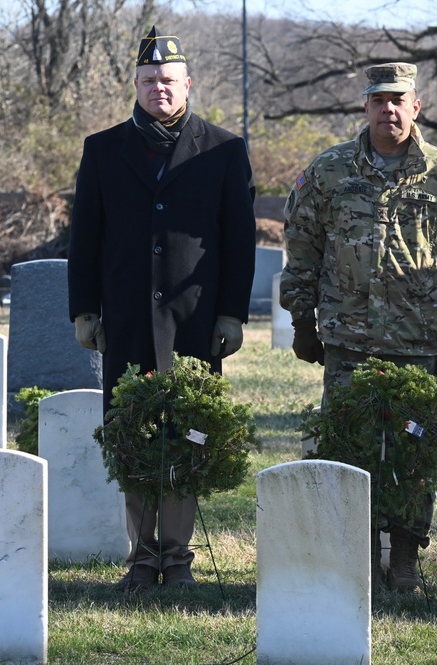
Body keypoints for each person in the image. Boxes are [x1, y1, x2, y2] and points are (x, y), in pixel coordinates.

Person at [280, 62, 437, 592]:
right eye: (379, 100)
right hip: (348, 343)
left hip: (419, 343)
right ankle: (361, 557)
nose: (389, 109)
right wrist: (303, 320)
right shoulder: (329, 170)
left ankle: (404, 561)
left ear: (416, 107)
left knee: (412, 454)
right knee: (349, 449)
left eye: (399, 100)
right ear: (365, 107)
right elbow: (302, 247)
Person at [68, 26, 256, 591]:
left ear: (188, 84)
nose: (160, 89)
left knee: (186, 432)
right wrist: (84, 310)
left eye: (169, 80)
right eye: (149, 80)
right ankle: (141, 554)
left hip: (194, 321)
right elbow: (85, 236)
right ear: (135, 84)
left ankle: (177, 556)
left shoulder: (223, 149)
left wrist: (232, 314)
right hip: (124, 317)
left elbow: (238, 240)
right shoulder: (102, 149)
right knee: (132, 432)